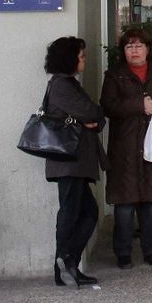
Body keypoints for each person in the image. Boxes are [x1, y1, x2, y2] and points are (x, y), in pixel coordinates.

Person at [103, 27, 152, 268]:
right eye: (129, 46)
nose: (134, 51)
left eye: (139, 46)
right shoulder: (114, 76)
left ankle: (151, 252)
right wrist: (138, 105)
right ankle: (123, 254)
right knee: (125, 207)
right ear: (124, 51)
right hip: (125, 150)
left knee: (151, 204)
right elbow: (108, 105)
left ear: (148, 49)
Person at [44, 36, 106, 288]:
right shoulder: (62, 86)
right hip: (69, 160)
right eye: (81, 56)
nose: (85, 60)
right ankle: (63, 263)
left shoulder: (68, 84)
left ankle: (68, 263)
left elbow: (96, 118)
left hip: (76, 161)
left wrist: (93, 118)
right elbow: (93, 112)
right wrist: (90, 118)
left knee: (86, 212)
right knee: (72, 211)